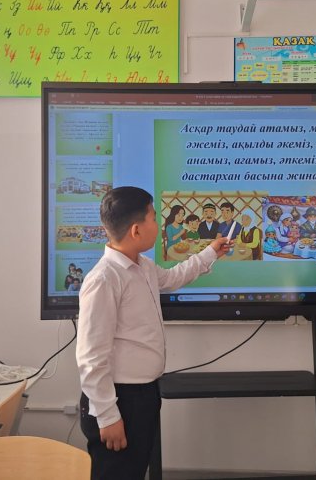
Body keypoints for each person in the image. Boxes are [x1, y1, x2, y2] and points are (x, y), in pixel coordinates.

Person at [76, 187, 231, 479]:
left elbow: (173, 277)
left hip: (144, 393)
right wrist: (107, 417)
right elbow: (91, 356)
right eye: (154, 218)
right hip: (118, 399)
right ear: (136, 230)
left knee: (134, 470)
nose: (159, 225)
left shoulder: (142, 266)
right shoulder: (104, 279)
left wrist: (210, 252)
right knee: (116, 473)